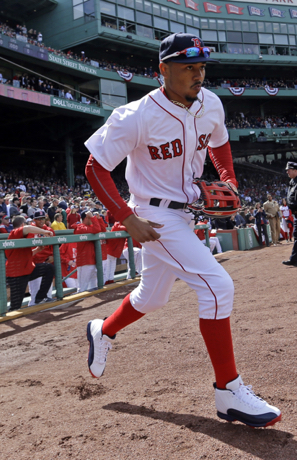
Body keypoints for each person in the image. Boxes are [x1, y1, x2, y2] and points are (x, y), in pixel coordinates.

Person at [83, 33, 281, 428]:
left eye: (201, 66)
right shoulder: (136, 115)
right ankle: (228, 392)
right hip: (153, 217)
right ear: (163, 70)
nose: (198, 73)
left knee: (151, 298)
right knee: (218, 286)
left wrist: (230, 179)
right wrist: (125, 216)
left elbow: (220, 144)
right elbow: (95, 167)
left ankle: (102, 330)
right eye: (188, 66)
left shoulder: (211, 103)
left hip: (186, 212)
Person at [6, 216, 55, 312]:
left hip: (27, 270)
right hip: (16, 275)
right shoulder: (14, 234)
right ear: (22, 225)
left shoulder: (23, 237)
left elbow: (25, 255)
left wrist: (37, 250)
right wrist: (44, 232)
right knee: (15, 306)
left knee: (48, 268)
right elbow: (28, 229)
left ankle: (40, 297)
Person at [73, 210, 102, 292]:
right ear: (86, 217)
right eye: (91, 216)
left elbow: (102, 229)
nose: (93, 218)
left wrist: (99, 219)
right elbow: (97, 229)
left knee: (93, 288)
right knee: (82, 289)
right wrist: (93, 218)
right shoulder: (80, 227)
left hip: (92, 260)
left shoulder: (90, 226)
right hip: (85, 262)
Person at [282, 161, 297, 266]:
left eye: (289, 170)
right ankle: (294, 259)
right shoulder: (292, 182)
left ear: (295, 171)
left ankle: (294, 259)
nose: (287, 172)